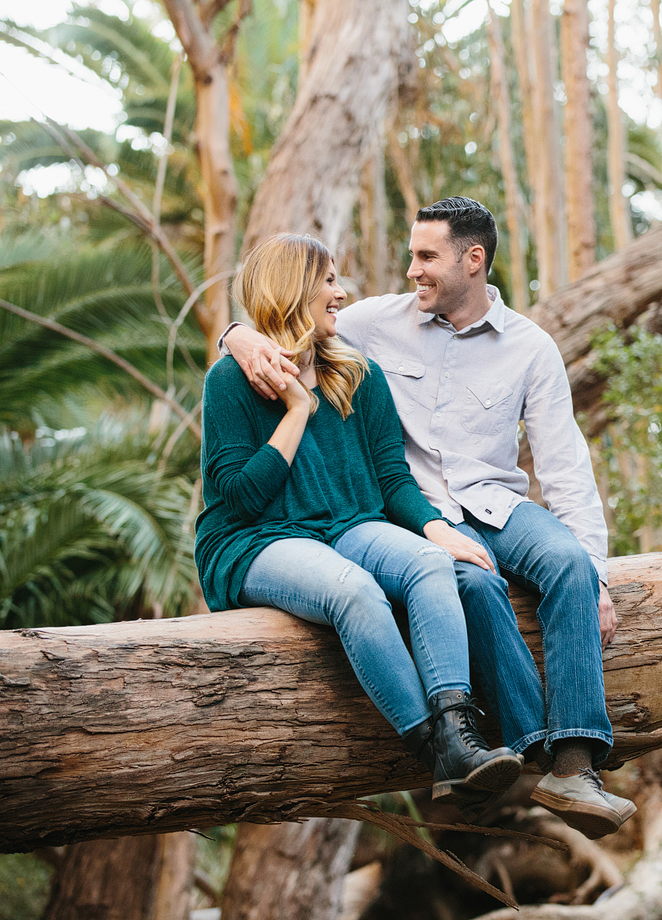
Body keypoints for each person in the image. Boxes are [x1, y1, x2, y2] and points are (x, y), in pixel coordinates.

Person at [221, 198, 635, 838]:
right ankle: (513, 747)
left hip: (493, 505)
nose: (411, 271)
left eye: (425, 257)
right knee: (474, 583)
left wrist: (599, 572)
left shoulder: (528, 347)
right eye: (412, 255)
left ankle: (574, 764)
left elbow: (565, 466)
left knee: (569, 566)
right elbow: (279, 316)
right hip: (420, 511)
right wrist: (237, 335)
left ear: (473, 261)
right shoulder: (375, 323)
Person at [197, 232, 520, 805]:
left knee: (427, 565)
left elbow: (392, 480)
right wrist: (298, 409)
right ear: (293, 288)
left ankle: (457, 731)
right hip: (255, 541)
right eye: (327, 280)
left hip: (349, 525)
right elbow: (243, 498)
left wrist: (437, 529)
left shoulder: (358, 375)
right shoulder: (229, 382)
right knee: (355, 592)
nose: (340, 293)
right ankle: (430, 750)